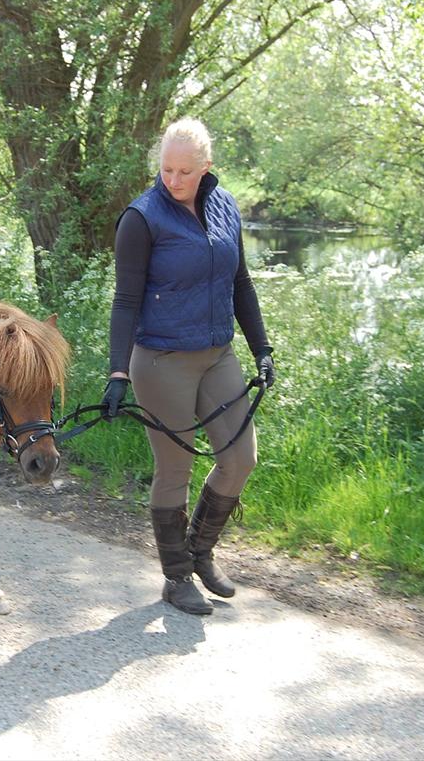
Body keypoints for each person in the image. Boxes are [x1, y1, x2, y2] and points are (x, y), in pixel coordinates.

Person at [102, 118, 275, 616]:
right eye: (166, 170)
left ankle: (200, 550)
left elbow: (240, 283)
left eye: (184, 171)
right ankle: (176, 577)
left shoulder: (225, 207)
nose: (173, 180)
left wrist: (261, 348)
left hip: (218, 353)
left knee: (240, 458)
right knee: (174, 468)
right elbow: (125, 301)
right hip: (161, 360)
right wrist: (118, 373)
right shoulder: (142, 218)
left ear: (206, 168)